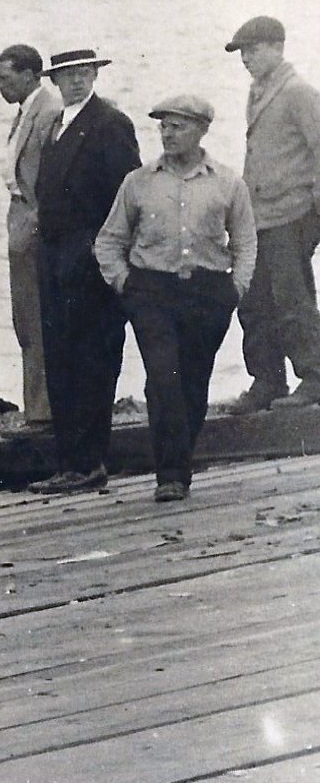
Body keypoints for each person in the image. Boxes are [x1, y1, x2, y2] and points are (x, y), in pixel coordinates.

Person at [96, 96, 255, 504]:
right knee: (162, 377)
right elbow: (109, 240)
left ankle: (178, 460)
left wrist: (234, 290)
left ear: (201, 130)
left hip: (207, 292)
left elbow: (245, 241)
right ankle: (171, 475)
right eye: (163, 127)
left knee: (194, 382)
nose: (167, 134)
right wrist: (124, 285)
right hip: (151, 291)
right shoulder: (139, 181)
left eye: (177, 127)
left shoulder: (227, 183)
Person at [31, 46, 142, 493]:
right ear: (54, 81)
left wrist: (104, 252)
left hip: (91, 257)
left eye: (86, 72)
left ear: (95, 74)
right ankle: (70, 461)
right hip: (56, 258)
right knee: (60, 356)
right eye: (68, 74)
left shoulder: (110, 124)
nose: (78, 80)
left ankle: (90, 461)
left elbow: (127, 196)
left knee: (92, 357)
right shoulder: (55, 124)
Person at [226, 15, 320, 411]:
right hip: (260, 217)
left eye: (254, 49)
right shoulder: (259, 91)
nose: (246, 58)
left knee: (292, 298)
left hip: (291, 214)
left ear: (278, 48)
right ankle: (267, 381)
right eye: (242, 52)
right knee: (254, 300)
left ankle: (314, 377)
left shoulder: (298, 92)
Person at [0, 42, 61, 427]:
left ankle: (43, 411)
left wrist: (37, 223)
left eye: (5, 78)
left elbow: (50, 178)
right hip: (20, 221)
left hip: (34, 225)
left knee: (36, 319)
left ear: (29, 75)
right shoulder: (26, 113)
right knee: (26, 319)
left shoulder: (48, 112)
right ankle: (37, 406)